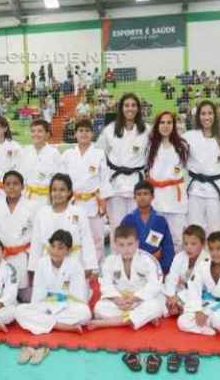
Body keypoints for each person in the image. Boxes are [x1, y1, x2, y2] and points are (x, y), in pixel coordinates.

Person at [97, 93, 149, 249]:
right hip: (115, 185)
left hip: (137, 185)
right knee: (117, 227)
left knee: (137, 226)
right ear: (121, 108)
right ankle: (116, 260)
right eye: (126, 105)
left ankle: (137, 258)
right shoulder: (110, 130)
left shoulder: (147, 130)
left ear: (138, 108)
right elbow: (99, 155)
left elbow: (152, 154)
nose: (130, 109)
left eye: (133, 105)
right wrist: (102, 186)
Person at [88, 225, 165, 331]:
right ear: (115, 245)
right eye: (121, 245)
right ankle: (141, 318)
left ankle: (110, 323)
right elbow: (106, 285)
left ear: (137, 243)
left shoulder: (147, 260)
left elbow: (155, 285)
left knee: (156, 304)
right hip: (121, 302)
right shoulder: (109, 261)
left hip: (140, 300)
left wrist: (135, 298)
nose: (126, 249)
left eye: (130, 244)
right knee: (99, 308)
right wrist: (117, 299)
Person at [16, 230, 91, 337]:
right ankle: (60, 326)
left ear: (68, 250)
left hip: (67, 305)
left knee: (85, 313)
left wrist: (54, 310)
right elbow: (38, 296)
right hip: (46, 305)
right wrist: (48, 309)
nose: (55, 251)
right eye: (53, 246)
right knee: (19, 310)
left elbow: (76, 296)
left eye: (60, 248)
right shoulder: (42, 263)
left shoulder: (75, 265)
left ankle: (44, 323)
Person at [28, 174, 98, 281]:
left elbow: (86, 239)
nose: (58, 193)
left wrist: (90, 265)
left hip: (74, 260)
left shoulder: (79, 212)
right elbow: (36, 242)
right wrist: (33, 268)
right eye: (54, 190)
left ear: (69, 192)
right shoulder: (42, 213)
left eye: (62, 190)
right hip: (48, 261)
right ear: (50, 192)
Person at [60, 119, 110, 262]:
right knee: (74, 236)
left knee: (97, 237)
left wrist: (104, 201)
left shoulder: (99, 154)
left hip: (93, 202)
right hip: (73, 202)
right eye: (81, 131)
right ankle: (75, 267)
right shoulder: (67, 154)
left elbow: (104, 179)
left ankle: (96, 268)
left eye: (87, 131)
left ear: (92, 134)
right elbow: (62, 180)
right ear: (75, 134)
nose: (84, 134)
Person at [0, 171, 37, 300]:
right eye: (8, 184)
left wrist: (33, 262)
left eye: (15, 184)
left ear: (22, 186)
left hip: (23, 256)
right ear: (3, 187)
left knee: (25, 297)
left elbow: (37, 236)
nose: (11, 187)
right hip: (2, 256)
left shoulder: (32, 206)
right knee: (2, 293)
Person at [183, 101, 220, 233]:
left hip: (215, 191)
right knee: (194, 230)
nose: (207, 117)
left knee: (215, 231)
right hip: (194, 191)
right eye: (203, 114)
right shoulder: (189, 136)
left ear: (215, 115)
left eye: (210, 113)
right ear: (198, 116)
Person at [147, 111, 189, 252]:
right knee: (155, 237)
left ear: (174, 125)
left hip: (176, 198)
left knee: (178, 238)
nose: (166, 126)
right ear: (157, 125)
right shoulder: (150, 146)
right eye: (162, 122)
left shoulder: (182, 146)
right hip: (157, 197)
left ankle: (178, 263)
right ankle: (156, 264)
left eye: (169, 122)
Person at [121, 181, 175, 274]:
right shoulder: (128, 220)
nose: (142, 197)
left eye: (145, 194)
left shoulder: (160, 220)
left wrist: (164, 270)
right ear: (134, 197)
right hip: (134, 267)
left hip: (157, 266)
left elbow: (168, 247)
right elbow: (121, 246)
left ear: (152, 196)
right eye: (139, 194)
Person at [164, 225, 209, 317]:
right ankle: (174, 307)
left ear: (203, 244)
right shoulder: (179, 256)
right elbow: (172, 277)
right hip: (178, 292)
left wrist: (178, 297)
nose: (188, 247)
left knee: (198, 304)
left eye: (193, 244)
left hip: (199, 295)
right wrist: (171, 296)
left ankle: (179, 308)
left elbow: (199, 287)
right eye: (186, 243)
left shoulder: (207, 261)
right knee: (159, 294)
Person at [19, 120, 62, 207]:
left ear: (47, 134)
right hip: (27, 197)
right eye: (33, 131)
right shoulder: (25, 151)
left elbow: (59, 179)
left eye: (40, 131)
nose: (36, 134)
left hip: (47, 199)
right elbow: (20, 176)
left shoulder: (54, 153)